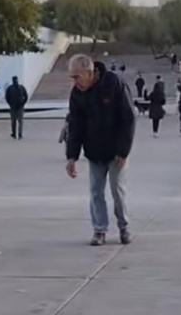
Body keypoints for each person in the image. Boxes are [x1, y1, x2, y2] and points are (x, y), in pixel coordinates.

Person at [66, 54, 135, 246]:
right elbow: (75, 125)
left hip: (116, 151)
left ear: (89, 73)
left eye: (76, 77)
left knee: (117, 191)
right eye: (72, 77)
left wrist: (123, 151)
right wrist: (71, 156)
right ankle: (99, 230)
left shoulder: (113, 83)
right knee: (96, 192)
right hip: (94, 151)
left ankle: (124, 227)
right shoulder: (77, 93)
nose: (74, 82)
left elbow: (128, 118)